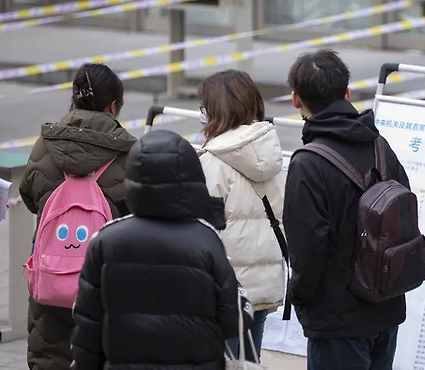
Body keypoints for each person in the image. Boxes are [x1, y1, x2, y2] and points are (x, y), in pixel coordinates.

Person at [71, 130, 253, 370]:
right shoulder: (206, 240)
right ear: (192, 179)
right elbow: (235, 320)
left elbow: (87, 327)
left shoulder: (106, 241)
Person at [282, 49, 410, 370]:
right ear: (347, 93)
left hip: (337, 320)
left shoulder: (307, 164)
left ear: (296, 100)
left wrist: (301, 298)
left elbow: (307, 248)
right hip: (385, 306)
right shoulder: (380, 147)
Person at [19, 63, 136, 370]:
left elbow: (30, 196)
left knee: (50, 352)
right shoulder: (131, 153)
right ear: (113, 106)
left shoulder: (46, 144)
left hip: (52, 269)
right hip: (107, 277)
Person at [197, 69, 285, 362]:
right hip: (263, 287)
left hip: (226, 292)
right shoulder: (271, 153)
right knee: (249, 362)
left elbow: (204, 230)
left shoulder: (212, 162)